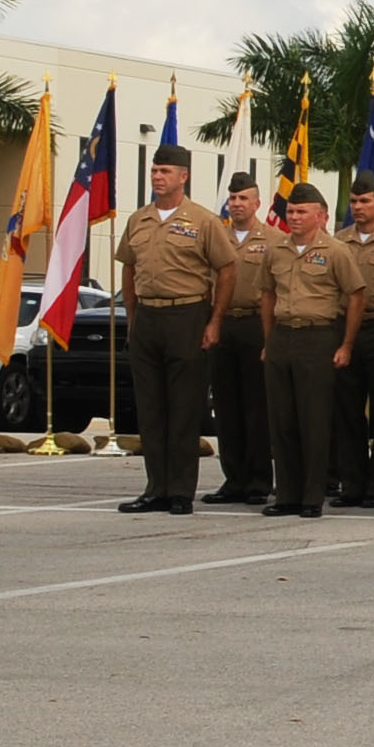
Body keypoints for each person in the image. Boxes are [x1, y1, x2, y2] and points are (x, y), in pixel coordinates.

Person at [113, 144, 234, 514]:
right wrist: (133, 316)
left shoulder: (203, 220)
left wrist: (214, 320)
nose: (157, 177)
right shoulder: (139, 220)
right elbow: (129, 268)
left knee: (183, 407)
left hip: (187, 315)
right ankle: (156, 488)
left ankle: (181, 491)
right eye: (154, 171)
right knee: (150, 408)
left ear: (183, 176)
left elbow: (227, 269)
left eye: (165, 171)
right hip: (149, 317)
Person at [257, 189, 372, 517]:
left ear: (320, 215)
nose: (294, 217)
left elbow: (356, 296)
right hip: (283, 336)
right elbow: (267, 294)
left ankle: (311, 496)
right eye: (291, 211)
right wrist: (269, 340)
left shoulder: (335, 250)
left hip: (318, 336)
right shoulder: (276, 250)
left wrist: (346, 344)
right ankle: (287, 495)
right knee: (282, 420)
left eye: (302, 212)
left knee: (314, 420)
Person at [205, 171, 277, 504]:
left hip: (255, 324)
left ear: (257, 203)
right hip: (223, 324)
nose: (236, 204)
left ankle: (259, 481)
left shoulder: (274, 240)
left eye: (243, 198)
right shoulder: (215, 237)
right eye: (232, 198)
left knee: (257, 407)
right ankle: (233, 479)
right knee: (226, 407)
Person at [332, 179, 374, 509]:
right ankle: (352, 483)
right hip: (346, 330)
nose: (357, 207)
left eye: (365, 201)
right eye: (354, 201)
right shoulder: (338, 241)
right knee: (347, 411)